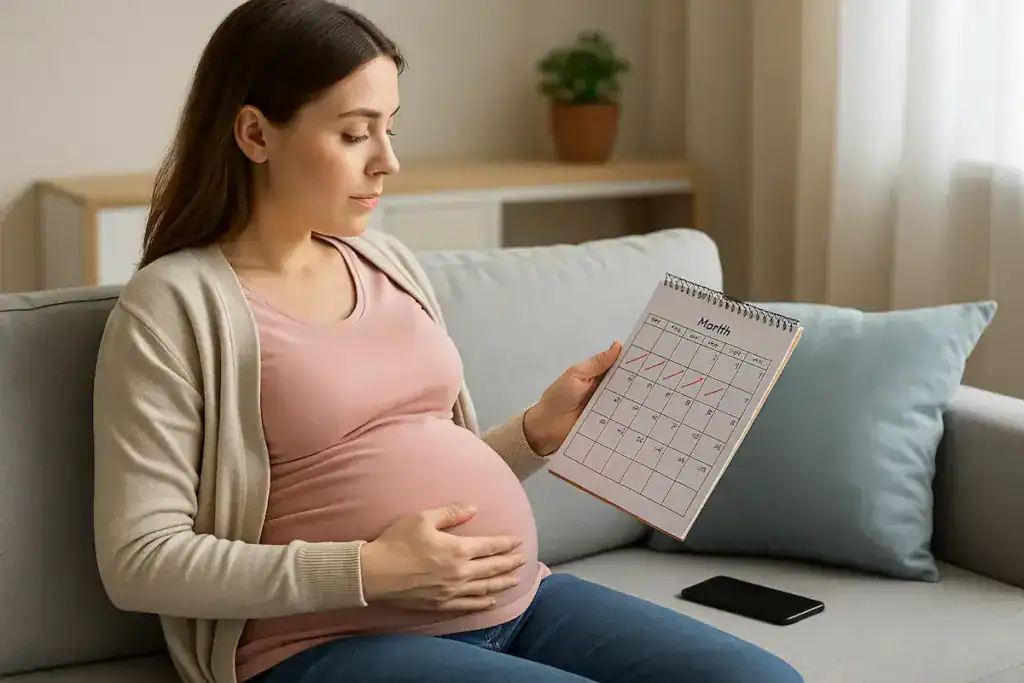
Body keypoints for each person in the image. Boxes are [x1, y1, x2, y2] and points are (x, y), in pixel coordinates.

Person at [91, 1, 804, 682]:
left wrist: (534, 432)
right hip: (328, 644)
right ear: (254, 134)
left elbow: (426, 474)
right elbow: (139, 558)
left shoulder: (385, 262)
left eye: (390, 127)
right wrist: (368, 569)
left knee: (763, 678)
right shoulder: (176, 305)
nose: (387, 161)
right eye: (354, 132)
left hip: (522, 601)